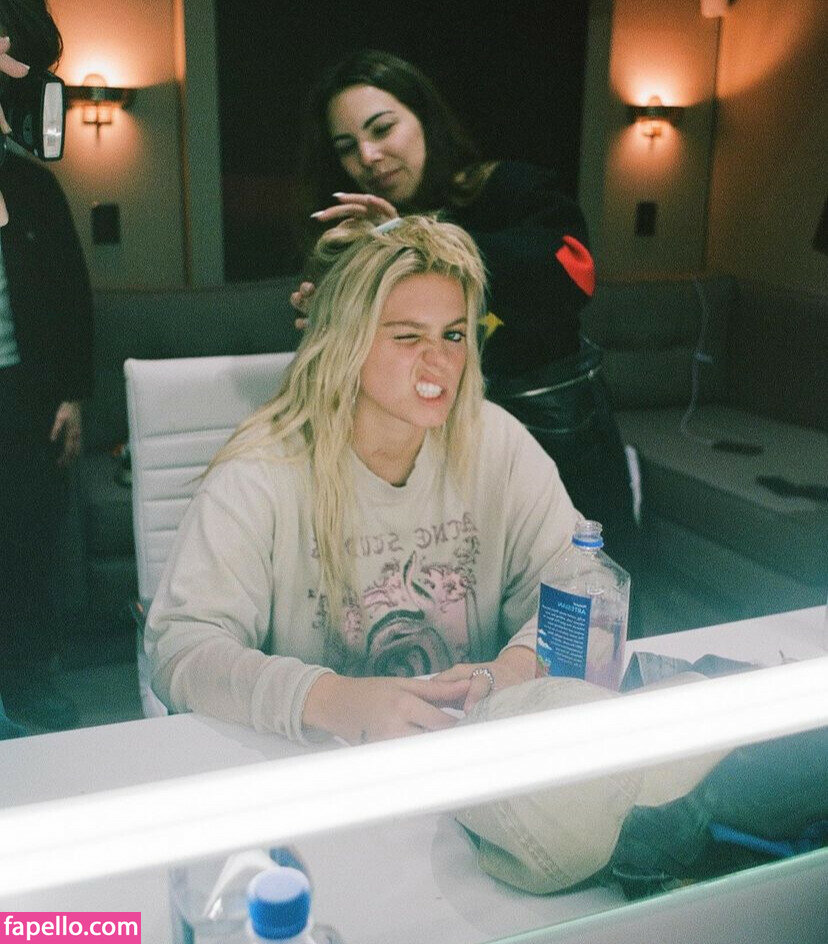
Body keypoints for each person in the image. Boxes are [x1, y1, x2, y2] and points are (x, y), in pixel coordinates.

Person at [145, 216, 581, 744]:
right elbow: (182, 648)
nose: (440, 361)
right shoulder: (261, 473)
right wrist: (330, 699)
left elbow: (582, 583)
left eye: (453, 335)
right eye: (408, 337)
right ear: (345, 341)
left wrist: (518, 665)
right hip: (318, 763)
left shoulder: (498, 443)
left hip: (466, 752)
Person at [295, 50, 642, 629]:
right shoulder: (361, 234)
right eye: (347, 147)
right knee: (464, 615)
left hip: (554, 427)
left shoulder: (505, 188)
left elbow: (572, 273)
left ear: (424, 117)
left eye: (382, 129)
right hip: (439, 447)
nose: (368, 157)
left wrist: (410, 236)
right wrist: (330, 325)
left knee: (590, 612)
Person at [0, 0, 93, 732]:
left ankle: (29, 682)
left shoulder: (32, 187)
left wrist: (73, 395)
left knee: (28, 541)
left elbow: (71, 299)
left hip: (23, 393)